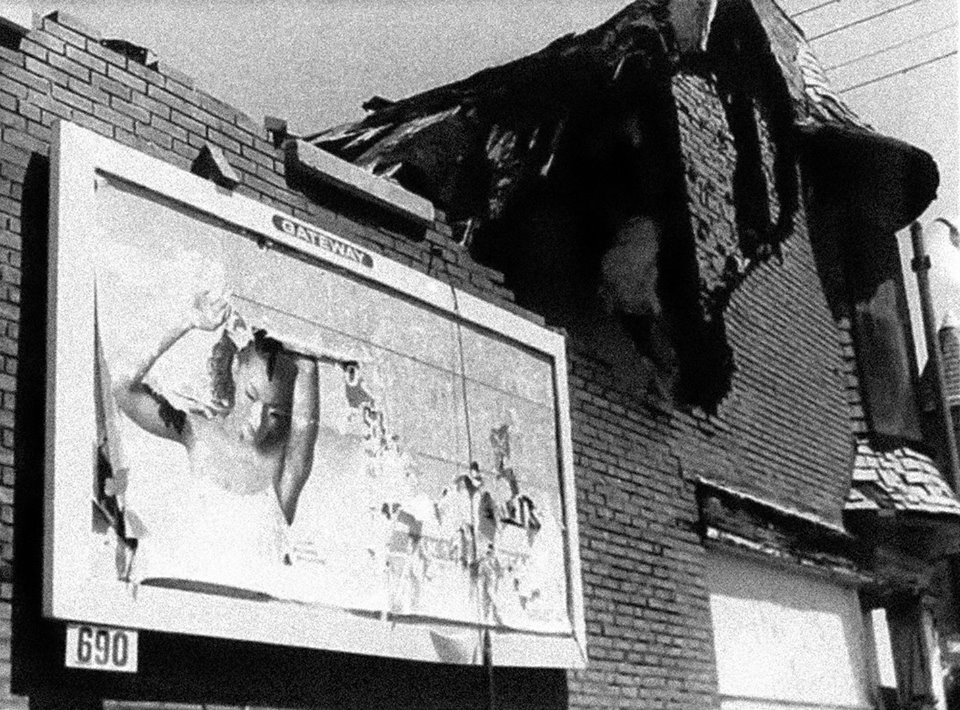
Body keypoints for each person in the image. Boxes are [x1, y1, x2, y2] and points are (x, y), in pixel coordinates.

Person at [110, 290, 320, 596]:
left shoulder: (283, 472)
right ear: (235, 370)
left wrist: (306, 352)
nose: (258, 418)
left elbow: (305, 412)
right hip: (179, 600)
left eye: (274, 411)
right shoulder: (198, 432)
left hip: (249, 618)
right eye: (251, 396)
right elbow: (122, 388)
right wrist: (187, 321)